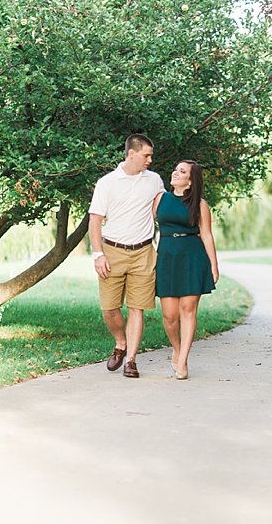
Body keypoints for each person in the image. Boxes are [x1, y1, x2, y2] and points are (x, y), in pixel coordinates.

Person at [89, 134, 165, 378]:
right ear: (131, 154)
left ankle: (131, 360)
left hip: (143, 252)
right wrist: (98, 254)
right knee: (109, 309)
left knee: (137, 308)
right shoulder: (107, 183)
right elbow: (95, 220)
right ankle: (120, 343)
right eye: (146, 155)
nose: (150, 160)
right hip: (112, 251)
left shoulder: (154, 181)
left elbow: (159, 210)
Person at [153, 159, 219, 380]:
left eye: (182, 172)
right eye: (176, 169)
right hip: (167, 257)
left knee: (187, 311)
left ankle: (182, 362)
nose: (175, 173)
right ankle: (177, 348)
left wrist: (214, 265)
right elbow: (147, 226)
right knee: (169, 316)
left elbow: (207, 235)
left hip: (192, 256)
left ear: (190, 182)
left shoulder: (200, 204)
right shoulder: (160, 199)